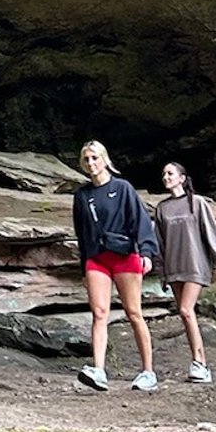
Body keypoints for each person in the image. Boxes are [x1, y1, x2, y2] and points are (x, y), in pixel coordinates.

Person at [72, 140, 159, 393]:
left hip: (124, 256)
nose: (91, 163)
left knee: (134, 313)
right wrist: (83, 268)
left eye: (95, 158)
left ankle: (147, 372)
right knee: (99, 313)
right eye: (87, 159)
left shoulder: (122, 188)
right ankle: (98, 371)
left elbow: (139, 220)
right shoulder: (81, 195)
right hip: (97, 259)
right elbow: (81, 233)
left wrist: (146, 251)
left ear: (105, 159)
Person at [154, 160, 216, 384]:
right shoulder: (162, 208)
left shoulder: (197, 203)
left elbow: (211, 233)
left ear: (182, 178)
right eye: (164, 174)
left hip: (195, 265)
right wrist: (161, 271)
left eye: (170, 173)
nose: (166, 177)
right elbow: (159, 243)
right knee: (184, 313)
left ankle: (201, 363)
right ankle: (196, 362)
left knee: (186, 309)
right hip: (173, 267)